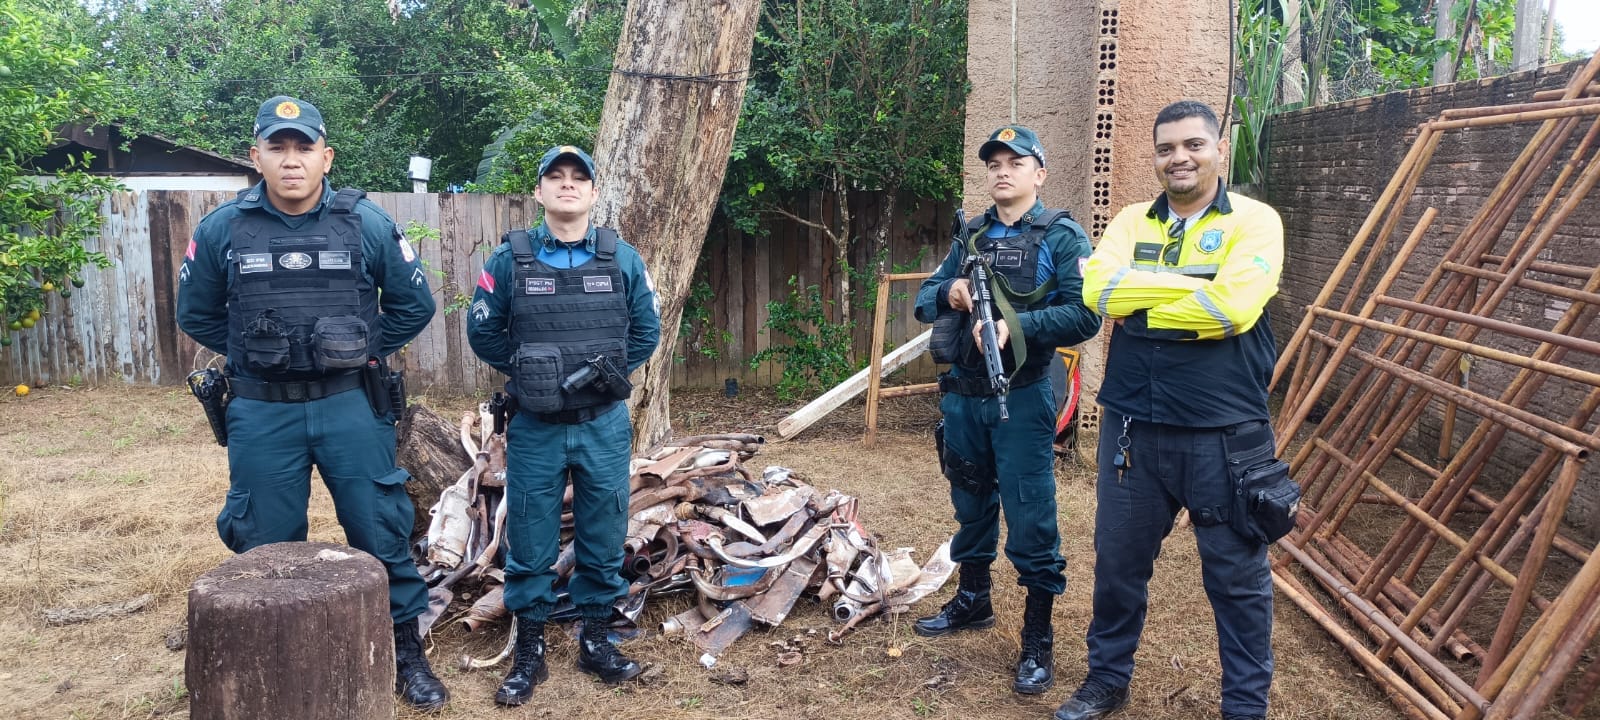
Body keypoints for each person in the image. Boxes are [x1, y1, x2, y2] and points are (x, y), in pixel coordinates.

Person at [176, 96, 448, 711]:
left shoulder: (366, 223)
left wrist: (358, 348)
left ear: (326, 157)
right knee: (266, 543)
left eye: (304, 147)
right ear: (256, 157)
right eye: (277, 147)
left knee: (380, 528)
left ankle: (405, 652)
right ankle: (269, 659)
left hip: (349, 404)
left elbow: (414, 305)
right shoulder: (222, 229)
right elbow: (195, 312)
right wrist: (258, 352)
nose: (291, 159)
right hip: (261, 409)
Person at [1054, 100, 1285, 720]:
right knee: (1118, 566)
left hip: (1224, 435)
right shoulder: (1132, 220)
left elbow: (1234, 309)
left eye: (1193, 145)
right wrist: (1195, 288)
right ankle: (1107, 680)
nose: (1179, 158)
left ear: (1219, 150)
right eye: (1165, 148)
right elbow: (1098, 290)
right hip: (1133, 429)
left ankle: (1244, 707)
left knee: (1236, 579)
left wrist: (1142, 303)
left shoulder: (1256, 222)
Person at [466, 144, 661, 706]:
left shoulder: (622, 258)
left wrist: (606, 377)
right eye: (556, 177)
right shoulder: (510, 259)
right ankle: (529, 652)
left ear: (594, 192)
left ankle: (595, 641)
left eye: (579, 177)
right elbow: (483, 332)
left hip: (603, 422)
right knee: (530, 536)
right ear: (540, 191)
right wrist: (533, 374)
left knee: (603, 530)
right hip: (537, 424)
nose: (568, 184)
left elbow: (646, 330)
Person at [912, 125, 1102, 696]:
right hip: (962, 396)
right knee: (970, 500)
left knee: (1030, 512)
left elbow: (1086, 314)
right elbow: (924, 299)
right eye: (994, 163)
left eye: (1015, 162)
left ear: (1038, 173)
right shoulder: (971, 234)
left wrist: (1011, 324)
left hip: (1020, 395)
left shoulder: (1062, 236)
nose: (1002, 171)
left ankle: (1037, 636)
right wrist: (951, 293)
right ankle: (973, 598)